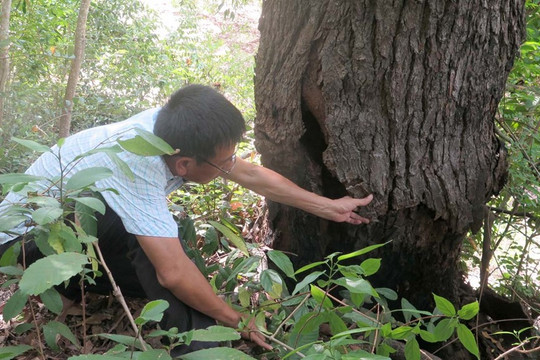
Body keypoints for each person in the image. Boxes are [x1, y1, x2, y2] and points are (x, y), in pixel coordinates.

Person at [0, 84, 373, 355]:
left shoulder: (172, 130)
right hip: (24, 240)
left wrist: (327, 206)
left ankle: (74, 290)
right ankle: (200, 346)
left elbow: (250, 175)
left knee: (165, 253)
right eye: (223, 163)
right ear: (184, 165)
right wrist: (235, 318)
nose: (231, 167)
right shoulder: (139, 165)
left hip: (70, 224)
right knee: (161, 256)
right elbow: (173, 273)